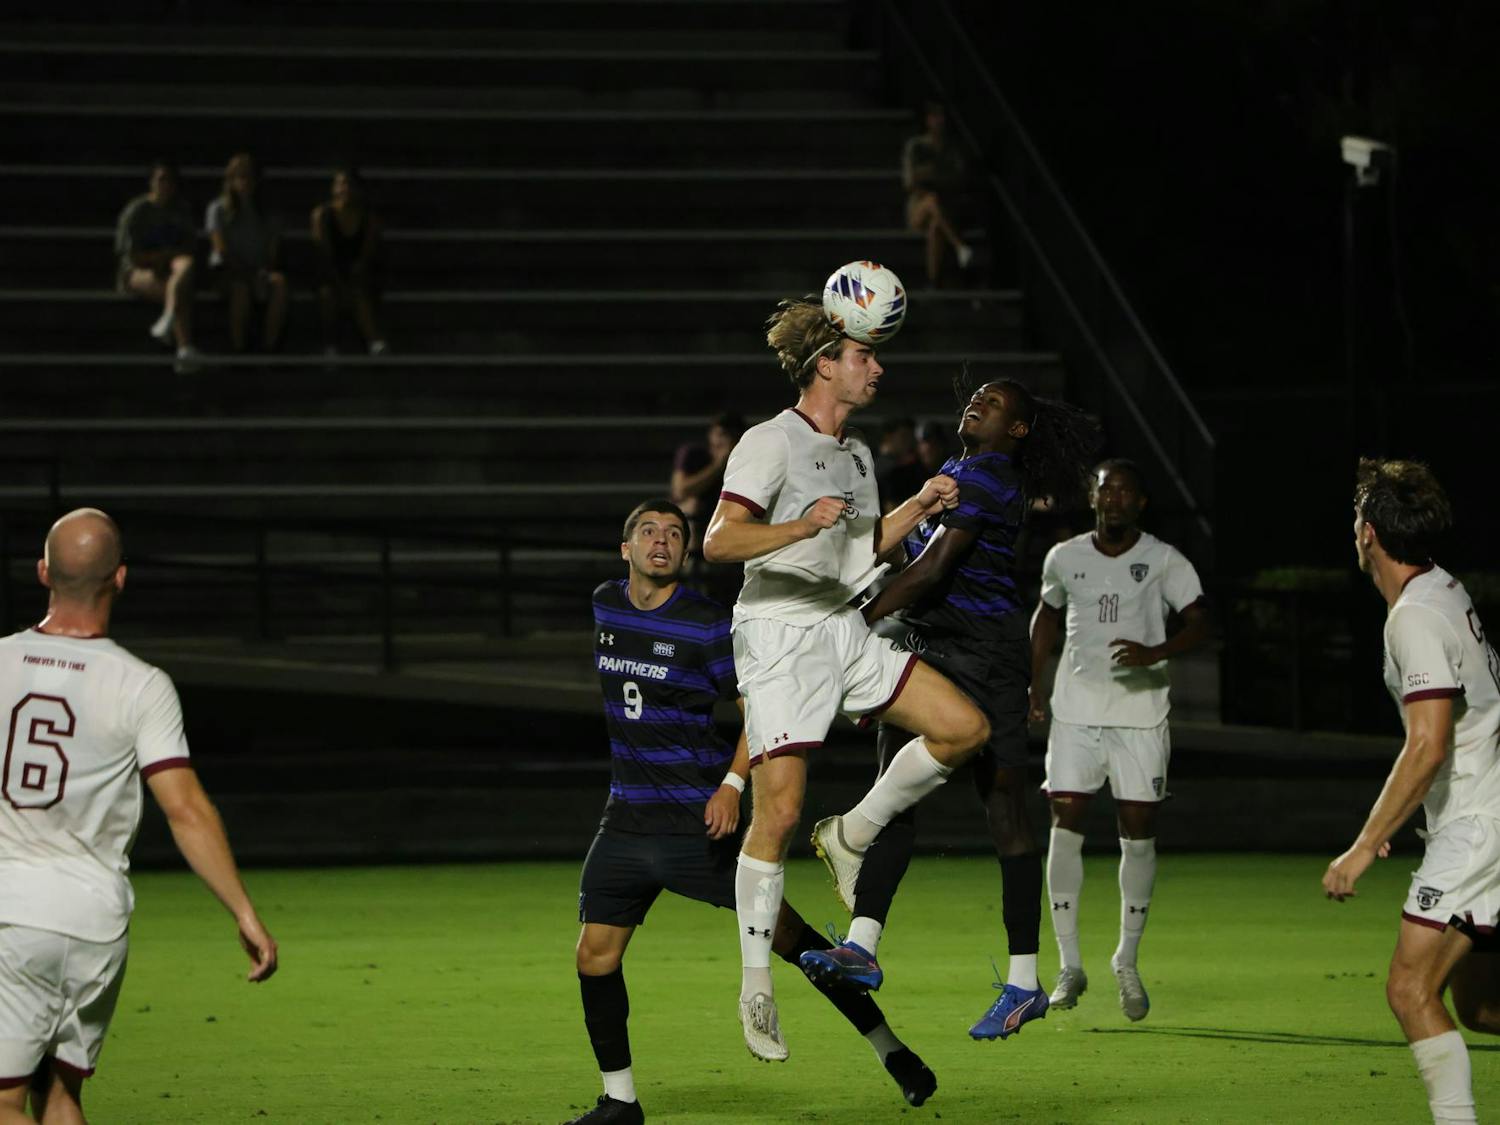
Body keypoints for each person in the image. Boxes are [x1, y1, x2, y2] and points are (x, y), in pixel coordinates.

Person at [566, 499, 936, 1124]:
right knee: (594, 956)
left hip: (698, 825)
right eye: (648, 532)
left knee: (791, 940)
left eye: (675, 534)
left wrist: (734, 785)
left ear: (687, 554)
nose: (662, 540)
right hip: (625, 823)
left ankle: (891, 1048)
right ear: (624, 550)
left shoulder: (709, 625)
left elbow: (760, 707)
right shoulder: (605, 604)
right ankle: (620, 1102)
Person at [702, 297, 990, 1060]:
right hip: (779, 632)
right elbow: (720, 539)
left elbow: (860, 546)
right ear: (825, 363)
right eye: (865, 356)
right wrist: (799, 524)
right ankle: (756, 984)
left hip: (841, 625)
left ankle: (853, 830)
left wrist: (920, 503)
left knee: (964, 728)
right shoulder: (771, 441)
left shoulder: (858, 456)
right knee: (780, 811)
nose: (878, 367)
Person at [800, 379, 1099, 1044]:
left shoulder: (996, 476)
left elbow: (935, 568)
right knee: (895, 794)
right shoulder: (955, 470)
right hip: (927, 644)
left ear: (1018, 430)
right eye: (976, 397)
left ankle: (1025, 983)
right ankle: (860, 943)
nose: (977, 403)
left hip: (987, 653)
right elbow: (913, 556)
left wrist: (861, 617)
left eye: (993, 403)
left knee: (1005, 812)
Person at [0, 509, 277, 1124]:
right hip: (97, 922)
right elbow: (186, 810)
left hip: (13, 917)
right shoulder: (142, 685)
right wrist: (243, 911)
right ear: (119, 578)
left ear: (42, 571)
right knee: (63, 1093)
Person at [1323, 458, 1500, 1125]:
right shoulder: (1441, 587)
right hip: (1486, 810)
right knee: (1479, 1008)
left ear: (1367, 533)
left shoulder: (1414, 617)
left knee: (1408, 988)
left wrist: (1364, 845)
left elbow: (1428, 742)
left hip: (1478, 822)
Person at [1028, 459, 1209, 1022]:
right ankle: (1069, 964)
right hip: (1076, 712)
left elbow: (1201, 621)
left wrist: (1156, 653)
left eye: (1126, 492)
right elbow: (1046, 617)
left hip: (1141, 714)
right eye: (1107, 491)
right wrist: (1035, 685)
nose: (1115, 500)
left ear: (1140, 504)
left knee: (1138, 831)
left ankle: (1126, 960)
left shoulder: (1163, 559)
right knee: (1066, 821)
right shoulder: (1064, 557)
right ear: (1093, 498)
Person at [113, 160, 202, 373]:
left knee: (185, 267)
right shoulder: (137, 210)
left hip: (172, 267)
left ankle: (169, 317)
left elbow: (189, 249)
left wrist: (168, 257)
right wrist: (157, 259)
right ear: (152, 182)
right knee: (180, 291)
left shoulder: (181, 210)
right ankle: (184, 347)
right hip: (139, 270)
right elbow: (129, 255)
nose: (166, 185)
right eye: (161, 179)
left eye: (170, 180)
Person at [205, 152, 287, 352]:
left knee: (279, 283)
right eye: (239, 176)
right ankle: (238, 348)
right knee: (240, 289)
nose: (245, 181)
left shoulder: (268, 211)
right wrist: (248, 275)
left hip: (259, 271)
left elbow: (272, 252)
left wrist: (263, 272)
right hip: (228, 273)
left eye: (249, 176)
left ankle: (270, 346)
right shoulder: (217, 208)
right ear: (230, 179)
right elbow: (220, 249)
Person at [310, 165, 389, 357]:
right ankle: (330, 345)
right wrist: (338, 281)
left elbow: (366, 256)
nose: (345, 189)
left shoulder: (369, 219)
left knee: (359, 290)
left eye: (350, 184)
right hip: (330, 273)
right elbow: (323, 253)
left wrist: (354, 275)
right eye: (340, 184)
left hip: (356, 274)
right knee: (328, 293)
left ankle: (374, 341)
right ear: (334, 188)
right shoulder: (322, 215)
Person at [902, 101, 972, 287]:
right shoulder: (916, 146)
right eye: (934, 117)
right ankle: (959, 246)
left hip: (946, 208)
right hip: (919, 207)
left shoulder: (952, 149)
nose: (938, 121)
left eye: (941, 117)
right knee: (931, 200)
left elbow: (959, 178)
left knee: (935, 228)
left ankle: (933, 282)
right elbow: (910, 182)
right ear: (927, 120)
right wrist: (931, 175)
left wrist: (932, 174)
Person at [873, 417, 926, 516]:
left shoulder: (905, 467)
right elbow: (891, 509)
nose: (909, 442)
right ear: (888, 437)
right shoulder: (888, 470)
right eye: (904, 436)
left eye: (911, 437)